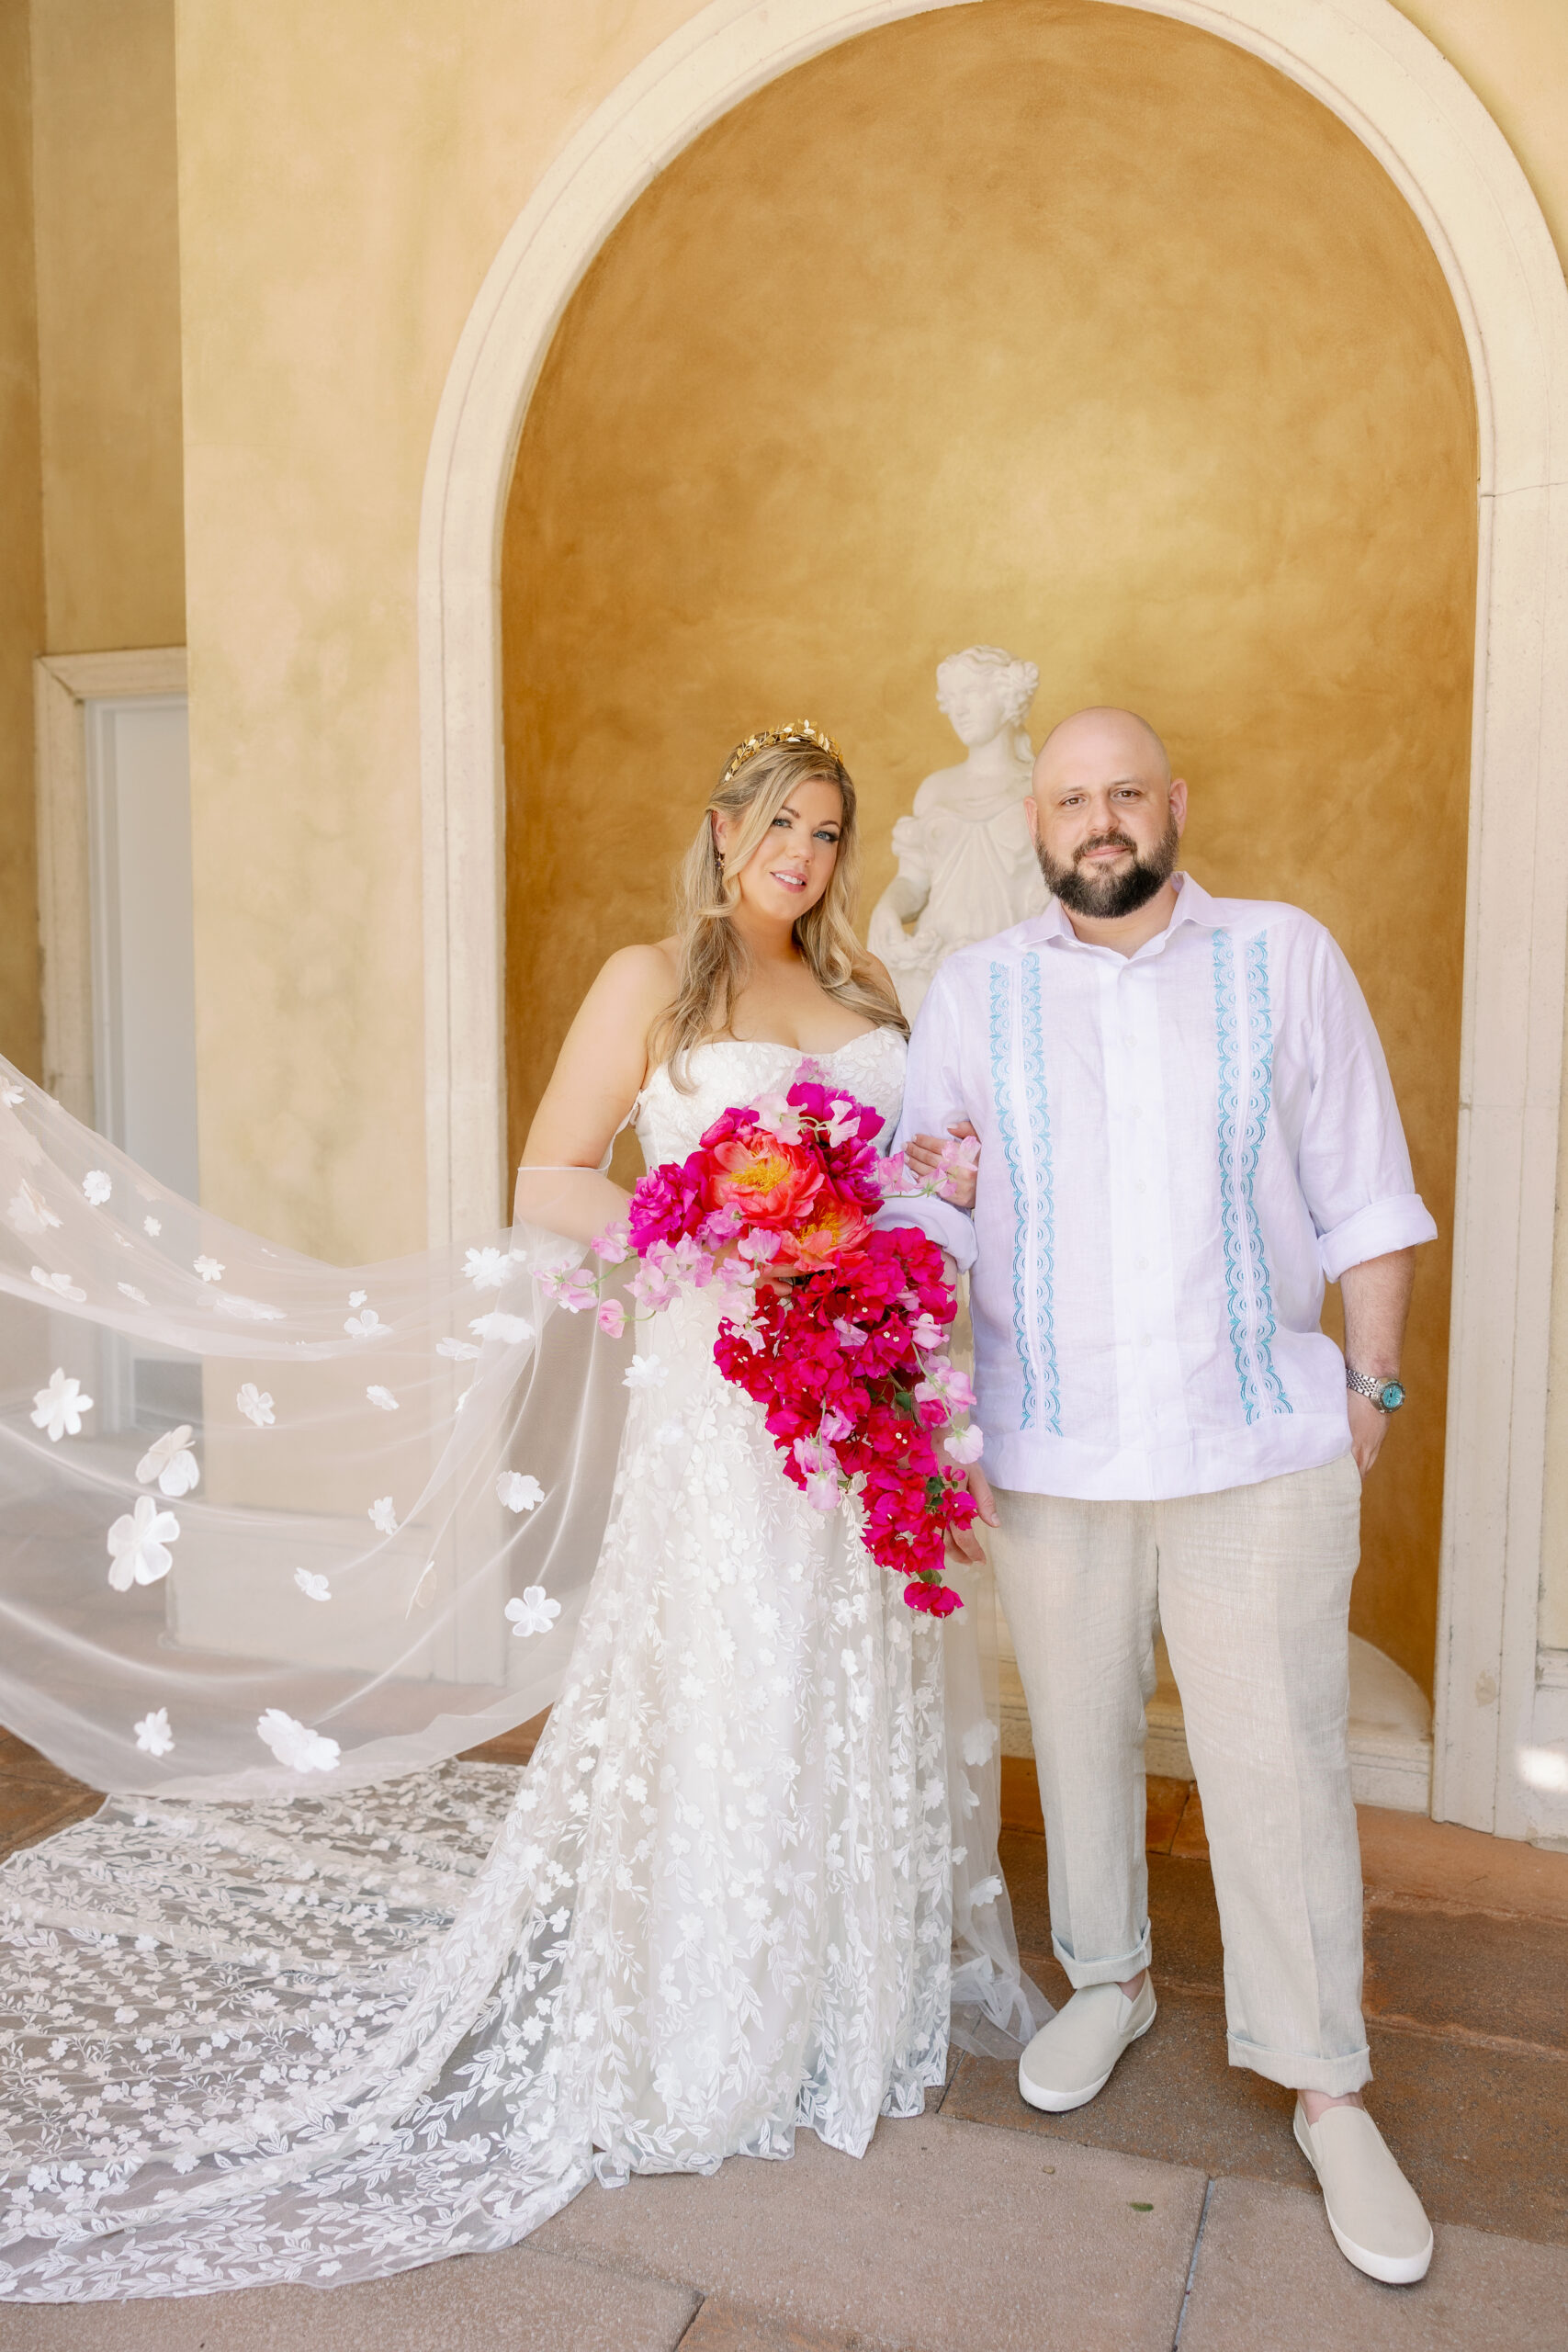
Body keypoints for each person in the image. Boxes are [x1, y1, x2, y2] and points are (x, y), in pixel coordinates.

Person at [0, 722, 1037, 2302]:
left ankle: (832, 1997)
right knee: (729, 1678)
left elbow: (897, 1188)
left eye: (828, 833)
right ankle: (704, 2017)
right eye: (781, 824)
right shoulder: (654, 981)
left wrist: (909, 1207)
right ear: (722, 823)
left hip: (851, 1405)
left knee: (837, 1674)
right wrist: (721, 1229)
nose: (804, 857)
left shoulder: (874, 1000)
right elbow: (548, 1178)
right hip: (721, 1388)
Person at [892, 707, 1438, 2288]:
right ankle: (1109, 1980)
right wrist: (933, 1371)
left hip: (1256, 1438)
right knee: (1073, 1730)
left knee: (1279, 1754)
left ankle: (1325, 2077)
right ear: (1040, 824)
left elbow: (1368, 1185)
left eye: (1127, 792)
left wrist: (1372, 1388)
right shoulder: (976, 991)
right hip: (1051, 1442)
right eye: (1074, 799)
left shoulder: (1282, 956)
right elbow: (928, 1201)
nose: (1103, 820)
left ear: (1173, 805)